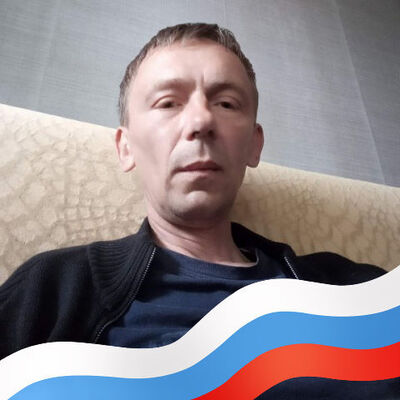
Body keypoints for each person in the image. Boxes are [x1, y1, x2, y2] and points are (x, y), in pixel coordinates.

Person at [1, 23, 396, 397]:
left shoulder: (352, 289)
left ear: (254, 145)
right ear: (126, 147)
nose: (201, 120)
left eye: (226, 103)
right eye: (168, 103)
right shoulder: (55, 286)